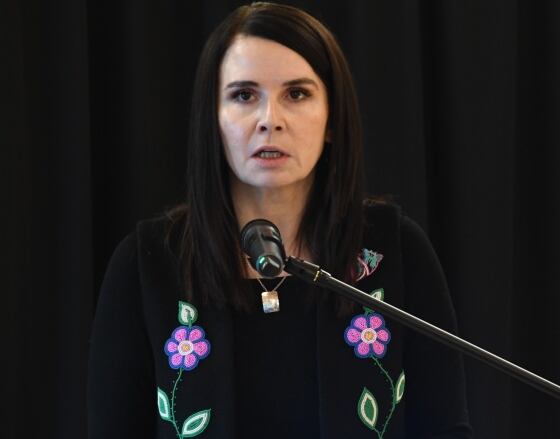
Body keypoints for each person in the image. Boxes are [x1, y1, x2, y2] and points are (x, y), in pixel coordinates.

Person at [87, 2, 472, 438]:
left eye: (297, 94)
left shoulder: (394, 251)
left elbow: (445, 427)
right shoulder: (148, 265)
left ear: (332, 119)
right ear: (212, 119)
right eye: (244, 95)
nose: (270, 121)